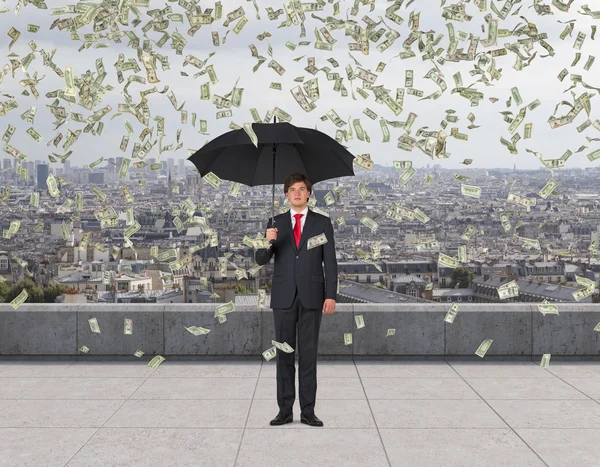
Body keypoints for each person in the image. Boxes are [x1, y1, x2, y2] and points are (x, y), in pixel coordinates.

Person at [255, 172, 338, 428]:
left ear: (309, 193)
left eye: (302, 189)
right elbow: (260, 260)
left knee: (309, 356)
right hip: (283, 297)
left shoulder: (322, 223)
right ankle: (284, 411)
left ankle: (308, 411)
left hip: (313, 296)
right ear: (286, 195)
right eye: (293, 189)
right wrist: (268, 242)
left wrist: (331, 295)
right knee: (284, 357)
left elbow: (330, 263)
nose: (298, 193)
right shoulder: (275, 223)